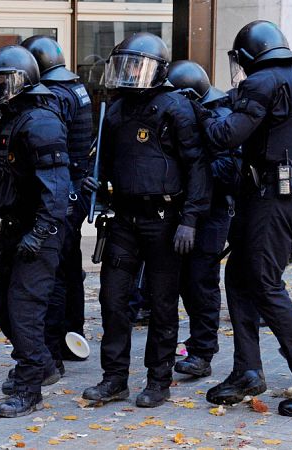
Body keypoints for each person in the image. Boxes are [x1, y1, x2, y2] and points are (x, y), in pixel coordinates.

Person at [195, 20, 292, 417]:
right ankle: (247, 371)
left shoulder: (262, 82)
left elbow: (226, 136)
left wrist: (204, 111)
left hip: (272, 197)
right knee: (239, 276)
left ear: (248, 55)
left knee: (263, 283)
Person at [81, 32, 211, 408]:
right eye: (125, 65)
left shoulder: (176, 107)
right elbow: (107, 159)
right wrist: (96, 182)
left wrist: (190, 219)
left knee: (163, 301)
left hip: (164, 218)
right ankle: (114, 379)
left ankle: (159, 380)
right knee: (113, 299)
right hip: (123, 217)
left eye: (138, 66)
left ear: (159, 71)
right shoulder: (117, 108)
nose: (130, 74)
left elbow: (197, 166)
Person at [0, 45, 70, 417]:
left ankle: (30, 387)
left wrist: (41, 232)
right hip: (15, 228)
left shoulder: (41, 121)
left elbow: (57, 187)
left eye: (1, 80)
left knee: (25, 309)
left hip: (39, 231)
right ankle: (41, 363)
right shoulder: (12, 118)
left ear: (22, 81)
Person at [21, 35, 94, 363]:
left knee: (54, 271)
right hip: (77, 188)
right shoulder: (76, 88)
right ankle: (72, 336)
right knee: (69, 266)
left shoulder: (55, 96)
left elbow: (51, 146)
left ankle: (54, 346)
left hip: (63, 191)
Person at [165, 60, 236, 378]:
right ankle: (197, 342)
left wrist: (190, 171)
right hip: (189, 210)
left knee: (201, 282)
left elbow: (228, 171)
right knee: (185, 282)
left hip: (212, 213)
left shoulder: (218, 117)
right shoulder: (192, 114)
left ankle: (203, 352)